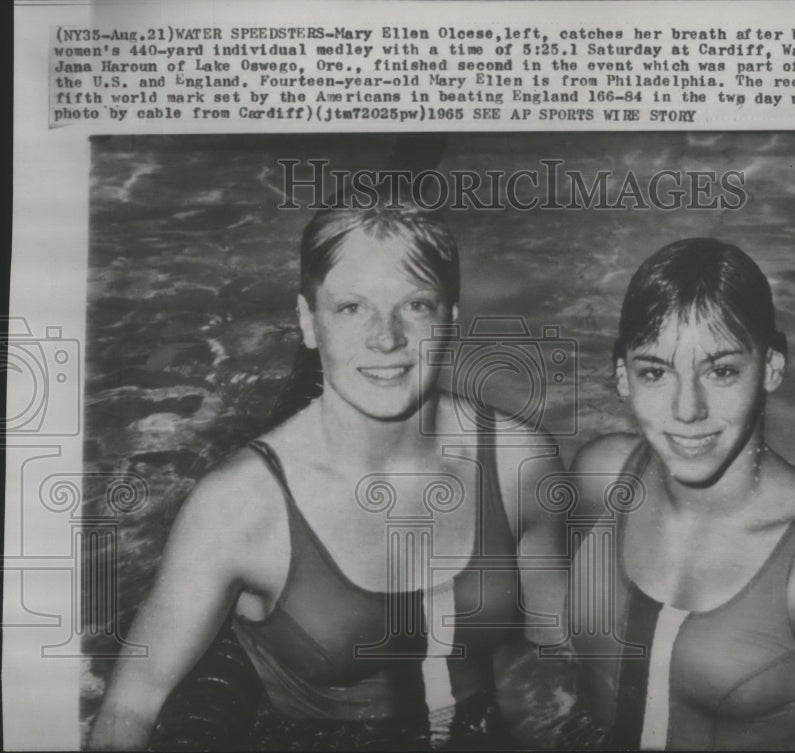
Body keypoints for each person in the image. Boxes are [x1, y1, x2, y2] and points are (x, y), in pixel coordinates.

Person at [89, 186, 568, 750]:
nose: (385, 337)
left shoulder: (519, 460)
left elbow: (555, 648)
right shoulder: (239, 504)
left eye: (415, 305)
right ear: (308, 321)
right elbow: (130, 706)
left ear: (451, 318)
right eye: (350, 307)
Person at [568, 238, 795, 750]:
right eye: (655, 372)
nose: (687, 410)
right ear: (622, 377)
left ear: (770, 367)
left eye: (721, 371)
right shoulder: (602, 479)